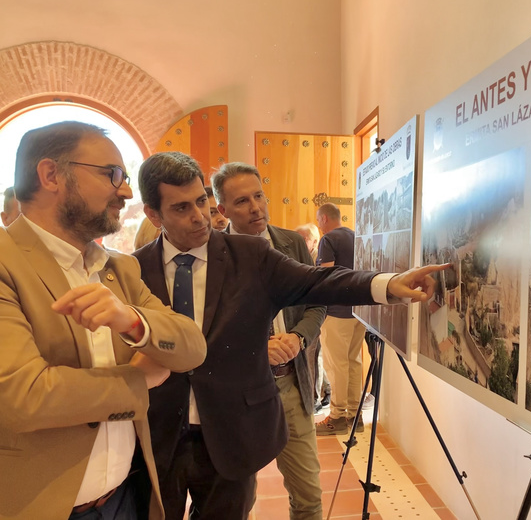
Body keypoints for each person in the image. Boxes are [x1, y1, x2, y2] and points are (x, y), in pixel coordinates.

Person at [134, 152, 447, 520]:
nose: (200, 216)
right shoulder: (134, 268)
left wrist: (389, 284)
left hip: (229, 434)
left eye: (201, 202)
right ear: (154, 215)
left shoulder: (250, 255)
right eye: (182, 207)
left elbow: (320, 282)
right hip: (160, 438)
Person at [0, 121, 207, 520]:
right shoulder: (7, 264)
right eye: (112, 174)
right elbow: (22, 397)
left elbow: (192, 345)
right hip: (42, 505)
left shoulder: (119, 270)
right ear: (51, 175)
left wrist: (132, 321)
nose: (126, 191)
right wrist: (140, 379)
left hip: (125, 497)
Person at [213, 162, 326, 519]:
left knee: (308, 496)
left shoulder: (291, 243)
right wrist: (253, 350)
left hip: (290, 385)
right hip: (238, 397)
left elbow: (315, 302)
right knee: (236, 501)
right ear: (222, 210)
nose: (256, 207)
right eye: (243, 201)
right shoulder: (212, 254)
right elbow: (202, 330)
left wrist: (298, 337)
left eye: (259, 195)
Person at [314, 202, 367, 435]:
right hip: (359, 311)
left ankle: (336, 417)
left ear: (324, 218)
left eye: (318, 220)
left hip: (337, 311)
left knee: (336, 366)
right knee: (354, 362)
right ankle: (356, 416)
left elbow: (327, 276)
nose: (318, 224)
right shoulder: (357, 236)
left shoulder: (328, 240)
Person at [295, 223, 331, 411]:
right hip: (309, 316)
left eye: (303, 239)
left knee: (314, 356)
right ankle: (326, 389)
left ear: (315, 241)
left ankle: (315, 399)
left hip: (319, 315)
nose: (298, 242)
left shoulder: (318, 261)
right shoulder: (300, 259)